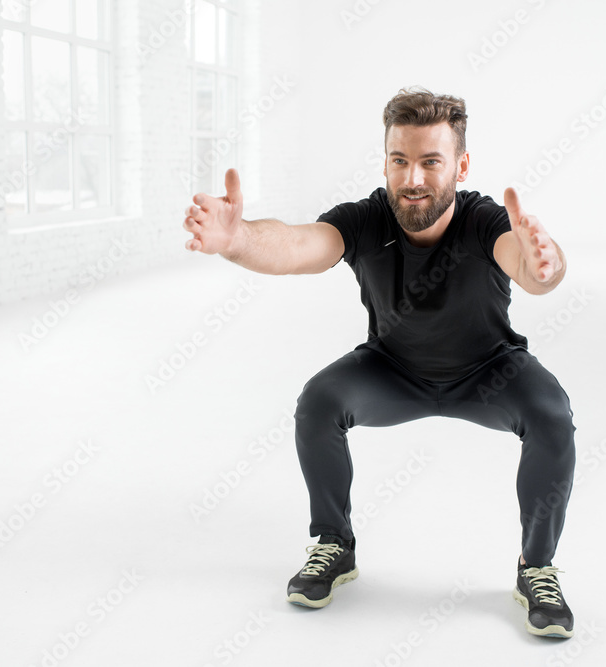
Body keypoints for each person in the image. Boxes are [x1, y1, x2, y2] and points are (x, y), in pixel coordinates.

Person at [182, 86, 577, 639]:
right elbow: (298, 245)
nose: (414, 179)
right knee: (318, 401)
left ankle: (536, 568)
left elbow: (529, 265)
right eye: (401, 161)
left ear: (460, 166)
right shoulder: (367, 219)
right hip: (392, 371)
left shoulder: (485, 220)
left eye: (431, 162)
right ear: (387, 162)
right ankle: (334, 546)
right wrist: (238, 238)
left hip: (490, 372)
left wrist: (545, 263)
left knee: (553, 415)